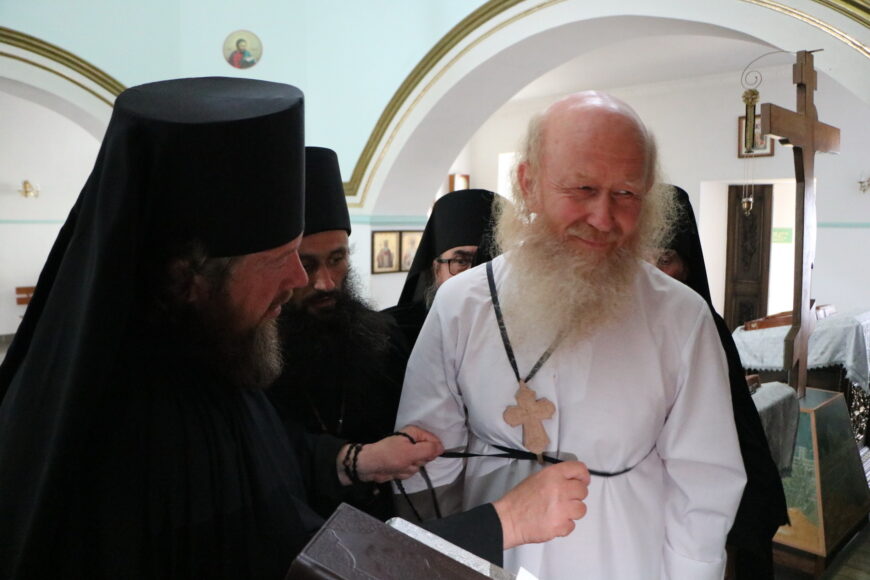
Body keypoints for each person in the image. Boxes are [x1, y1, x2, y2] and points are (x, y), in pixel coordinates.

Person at [0, 77, 591, 579]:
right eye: (279, 259)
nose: (301, 280)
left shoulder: (211, 355)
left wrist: (353, 461)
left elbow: (271, 460)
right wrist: (501, 523)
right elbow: (309, 565)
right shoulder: (145, 425)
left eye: (327, 257)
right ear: (189, 278)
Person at [394, 91, 747, 579]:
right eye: (582, 188)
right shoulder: (462, 303)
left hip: (624, 560)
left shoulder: (682, 316)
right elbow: (429, 460)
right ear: (529, 183)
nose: (603, 218)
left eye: (626, 194)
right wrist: (445, 560)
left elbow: (704, 483)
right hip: (488, 554)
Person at [268, 146, 410, 519]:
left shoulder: (384, 339)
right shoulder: (253, 354)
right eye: (306, 264)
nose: (326, 283)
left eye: (337, 259)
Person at [655, 186, 788, 580]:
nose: (651, 273)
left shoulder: (701, 323)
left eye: (664, 259)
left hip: (716, 514)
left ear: (687, 265)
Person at [384, 188, 497, 348]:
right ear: (437, 270)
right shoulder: (391, 335)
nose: (473, 277)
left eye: (488, 263)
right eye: (461, 261)